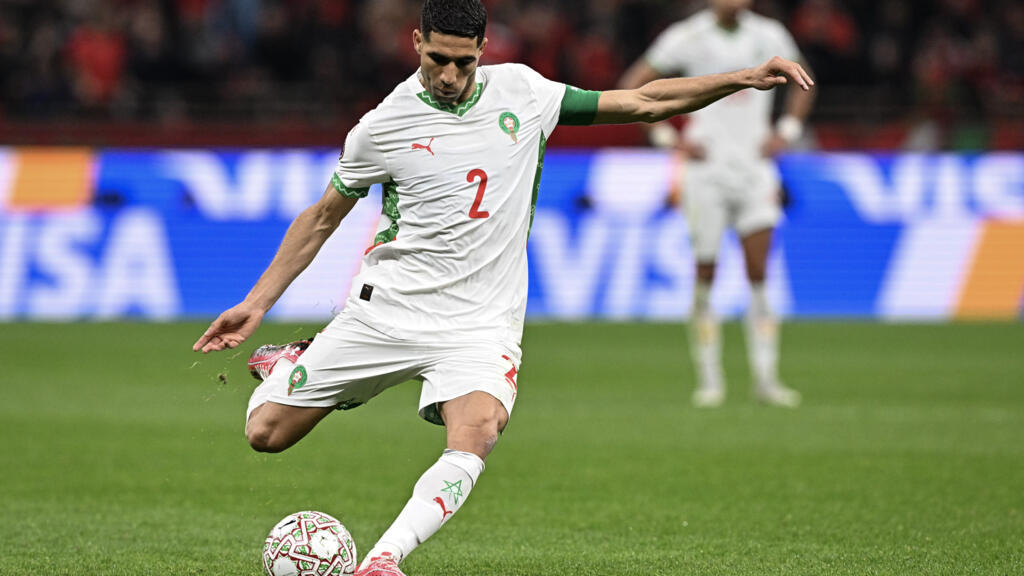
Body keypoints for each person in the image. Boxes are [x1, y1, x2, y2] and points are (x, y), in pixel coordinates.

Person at [192, 1, 813, 574]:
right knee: (266, 434)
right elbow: (322, 218)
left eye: (463, 62)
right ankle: (291, 363)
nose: (449, 75)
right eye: (438, 59)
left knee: (478, 431)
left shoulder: (525, 92)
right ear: (416, 43)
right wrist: (255, 304)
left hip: (480, 323)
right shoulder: (383, 126)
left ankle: (382, 560)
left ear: (483, 50)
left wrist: (742, 78)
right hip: (389, 311)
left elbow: (646, 101)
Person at [619, 0, 815, 408]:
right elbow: (634, 84)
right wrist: (667, 139)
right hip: (705, 170)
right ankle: (710, 380)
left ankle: (766, 379)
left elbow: (804, 79)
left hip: (755, 168)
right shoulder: (687, 36)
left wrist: (787, 131)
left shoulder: (769, 34)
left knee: (759, 271)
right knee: (706, 271)